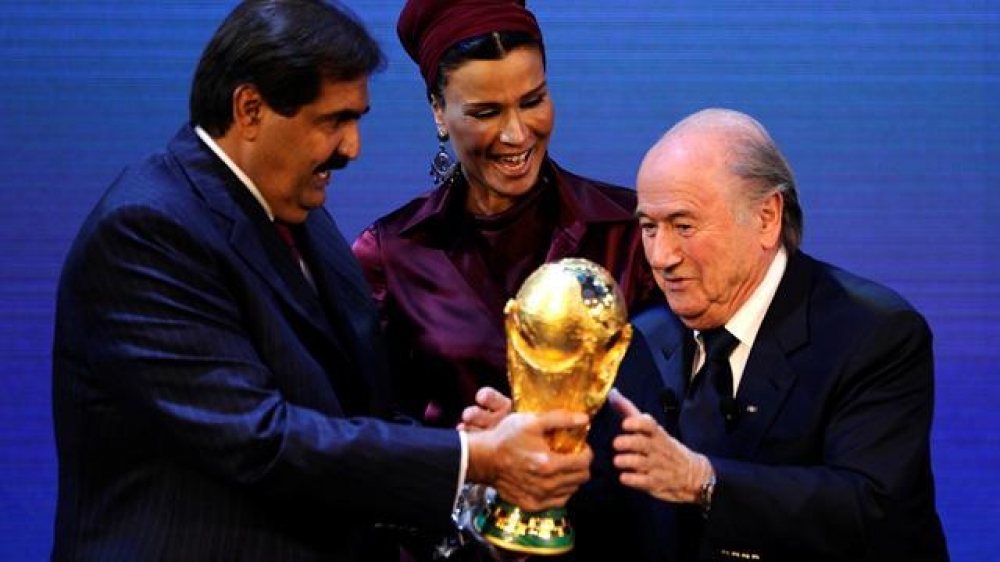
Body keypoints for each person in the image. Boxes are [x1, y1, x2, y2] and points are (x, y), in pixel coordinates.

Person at [50, 2, 594, 560]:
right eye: (333, 121)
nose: (352, 147)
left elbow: (356, 414)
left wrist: (477, 464)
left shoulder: (307, 221)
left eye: (357, 119)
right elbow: (262, 440)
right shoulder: (148, 231)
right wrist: (473, 457)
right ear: (251, 109)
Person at [606, 108, 949, 560]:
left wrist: (703, 480)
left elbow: (872, 508)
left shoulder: (873, 334)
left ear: (767, 218)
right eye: (649, 227)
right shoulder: (642, 339)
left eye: (683, 226)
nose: (661, 256)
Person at [352, 0, 658, 430]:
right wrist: (469, 454)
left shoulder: (629, 230)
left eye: (532, 101)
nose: (516, 134)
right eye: (486, 112)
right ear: (439, 111)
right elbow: (371, 424)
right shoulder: (390, 254)